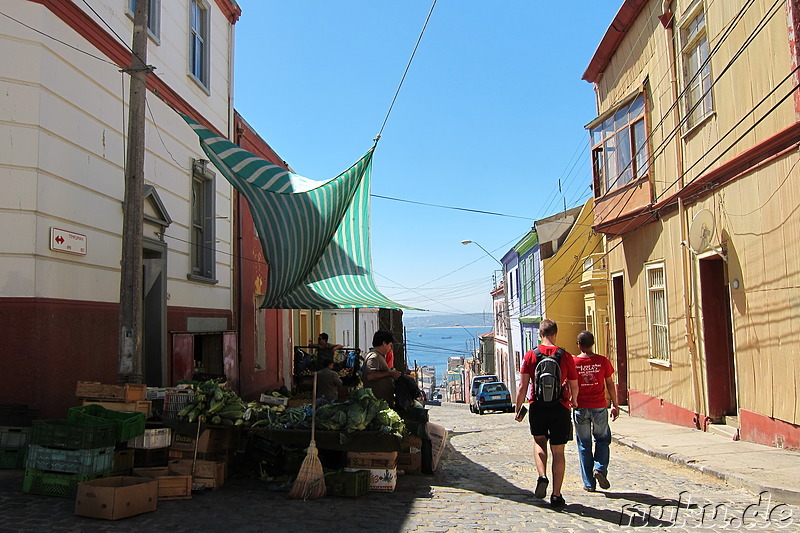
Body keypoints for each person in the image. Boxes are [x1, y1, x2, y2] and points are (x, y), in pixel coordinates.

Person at [514, 318, 579, 509]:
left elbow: (522, 386)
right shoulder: (565, 356)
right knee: (558, 451)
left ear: (540, 334)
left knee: (539, 442)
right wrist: (574, 400)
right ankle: (557, 495)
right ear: (555, 334)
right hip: (560, 407)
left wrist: (518, 408)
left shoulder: (531, 356)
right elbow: (574, 384)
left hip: (538, 406)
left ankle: (542, 476)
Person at [572, 330, 619, 492]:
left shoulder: (573, 362)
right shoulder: (602, 361)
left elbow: (569, 385)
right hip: (599, 406)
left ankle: (589, 483)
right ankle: (599, 468)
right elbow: (610, 384)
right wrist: (615, 404)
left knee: (584, 444)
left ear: (579, 345)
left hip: (580, 407)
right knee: (603, 439)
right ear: (593, 344)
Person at [361, 330, 401, 407]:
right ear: (384, 343)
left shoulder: (379, 356)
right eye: (390, 345)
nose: (390, 348)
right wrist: (389, 373)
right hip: (377, 404)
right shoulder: (374, 357)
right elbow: (370, 376)